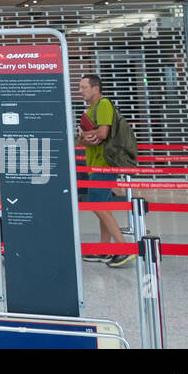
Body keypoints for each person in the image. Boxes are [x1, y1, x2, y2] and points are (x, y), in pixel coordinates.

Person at [78, 73, 133, 267]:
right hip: (96, 164)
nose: (80, 91)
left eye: (84, 87)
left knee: (97, 205)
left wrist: (86, 135)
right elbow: (84, 139)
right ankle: (105, 250)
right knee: (104, 207)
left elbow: (102, 133)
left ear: (95, 88)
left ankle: (123, 249)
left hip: (104, 164)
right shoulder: (91, 109)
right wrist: (85, 137)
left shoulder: (103, 105)